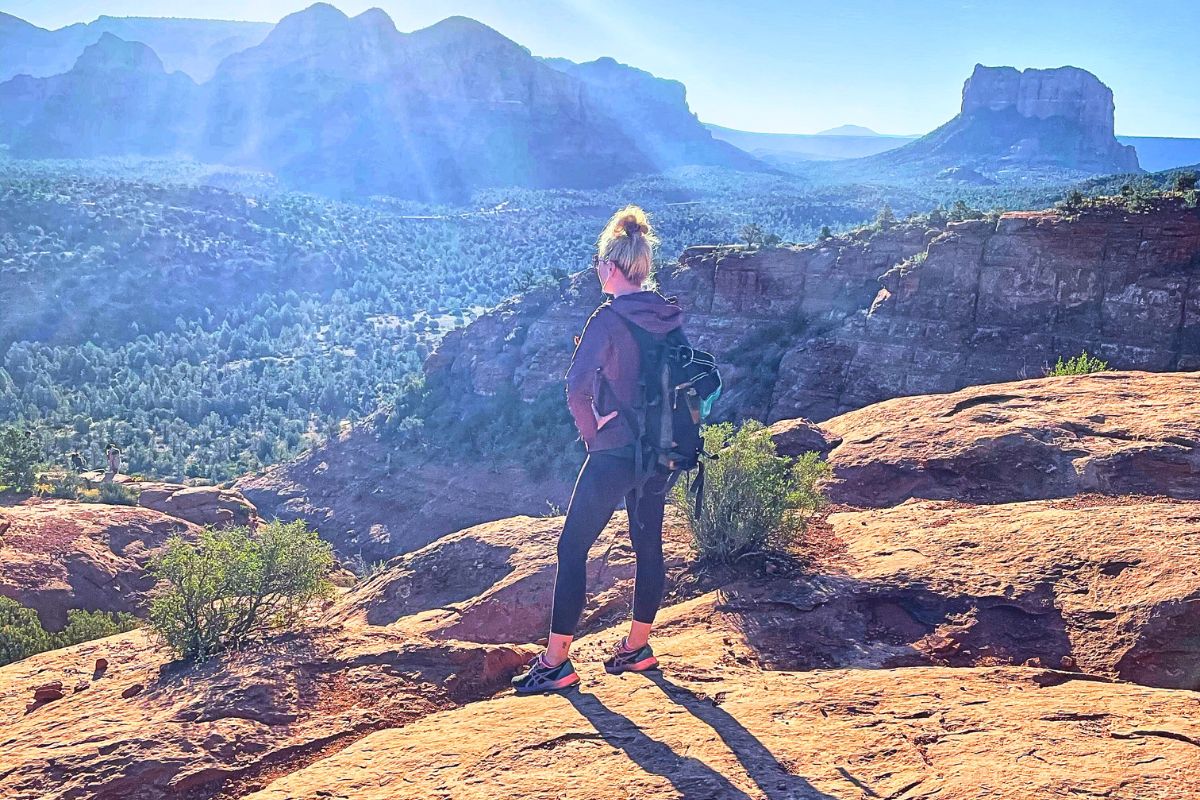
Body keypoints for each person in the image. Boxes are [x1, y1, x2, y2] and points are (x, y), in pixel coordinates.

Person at [512, 206, 684, 694]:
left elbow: (575, 387)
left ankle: (556, 663)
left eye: (597, 263)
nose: (595, 271)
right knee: (648, 545)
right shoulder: (666, 314)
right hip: (659, 449)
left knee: (572, 548)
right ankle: (637, 648)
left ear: (611, 267)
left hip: (615, 452)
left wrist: (593, 431)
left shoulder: (607, 320)